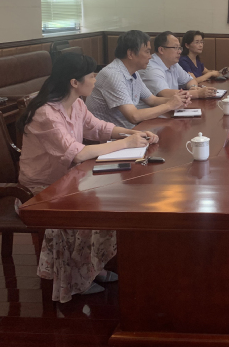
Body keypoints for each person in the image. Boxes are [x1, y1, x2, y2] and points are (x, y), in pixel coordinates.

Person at [17, 52, 160, 302]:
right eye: (92, 76)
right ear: (74, 82)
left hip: (69, 178)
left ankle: (92, 267)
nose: (95, 80)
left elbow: (98, 127)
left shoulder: (77, 103)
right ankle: (77, 279)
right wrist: (126, 143)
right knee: (90, 210)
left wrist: (133, 134)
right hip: (41, 189)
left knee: (110, 202)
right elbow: (79, 153)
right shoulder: (46, 114)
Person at [85, 30, 190, 129]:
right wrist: (169, 105)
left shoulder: (133, 73)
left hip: (128, 130)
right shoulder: (113, 75)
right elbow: (133, 116)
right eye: (147, 52)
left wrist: (177, 100)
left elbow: (152, 100)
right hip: (107, 137)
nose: (150, 57)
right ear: (130, 54)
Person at [140, 31, 218, 99]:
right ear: (161, 50)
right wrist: (197, 93)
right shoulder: (152, 68)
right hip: (153, 110)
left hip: (171, 107)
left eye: (179, 48)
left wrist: (193, 87)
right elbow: (164, 93)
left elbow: (190, 80)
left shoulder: (174, 64)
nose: (179, 51)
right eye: (175, 48)